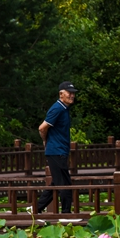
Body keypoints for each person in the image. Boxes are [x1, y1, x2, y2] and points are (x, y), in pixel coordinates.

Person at [37, 81, 78, 214]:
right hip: (56, 151)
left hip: (59, 151)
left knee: (56, 182)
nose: (72, 95)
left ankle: (36, 209)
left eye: (73, 93)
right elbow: (42, 128)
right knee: (65, 183)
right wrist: (45, 141)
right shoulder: (57, 108)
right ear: (61, 94)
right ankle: (66, 213)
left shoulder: (64, 109)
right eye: (69, 93)